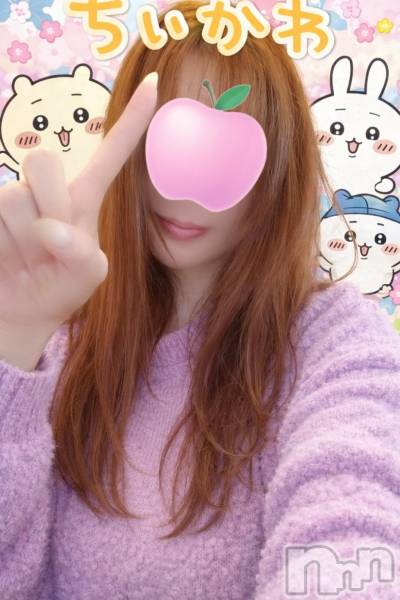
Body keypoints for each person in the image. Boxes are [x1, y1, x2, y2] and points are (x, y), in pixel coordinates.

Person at [0, 1, 400, 598]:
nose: (184, 194)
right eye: (170, 143)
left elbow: (353, 519)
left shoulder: (334, 340)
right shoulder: (59, 345)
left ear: (278, 169)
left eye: (225, 155)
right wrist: (14, 337)